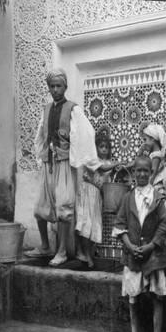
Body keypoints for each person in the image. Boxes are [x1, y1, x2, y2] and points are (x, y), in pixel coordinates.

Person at [29, 68, 101, 267]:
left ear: (65, 87)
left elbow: (85, 134)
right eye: (51, 86)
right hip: (49, 165)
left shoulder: (73, 109)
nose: (55, 90)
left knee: (64, 209)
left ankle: (61, 251)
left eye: (58, 86)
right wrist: (41, 157)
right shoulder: (46, 109)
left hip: (65, 165)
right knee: (39, 208)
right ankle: (45, 246)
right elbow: (40, 136)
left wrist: (84, 161)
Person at [112, 156, 166, 332]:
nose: (142, 174)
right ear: (134, 173)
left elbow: (164, 224)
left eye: (146, 170)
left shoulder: (157, 196)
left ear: (150, 173)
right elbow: (120, 225)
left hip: (153, 255)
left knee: (156, 296)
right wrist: (129, 245)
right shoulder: (128, 198)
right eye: (139, 171)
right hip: (133, 255)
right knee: (132, 297)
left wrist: (151, 246)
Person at [75, 135, 121, 269]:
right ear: (96, 148)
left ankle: (89, 253)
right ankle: (84, 254)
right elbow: (102, 169)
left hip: (98, 196)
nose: (104, 150)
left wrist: (125, 165)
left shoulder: (109, 164)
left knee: (94, 225)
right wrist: (118, 163)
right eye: (101, 147)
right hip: (88, 193)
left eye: (107, 147)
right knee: (86, 224)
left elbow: (110, 174)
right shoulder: (93, 160)